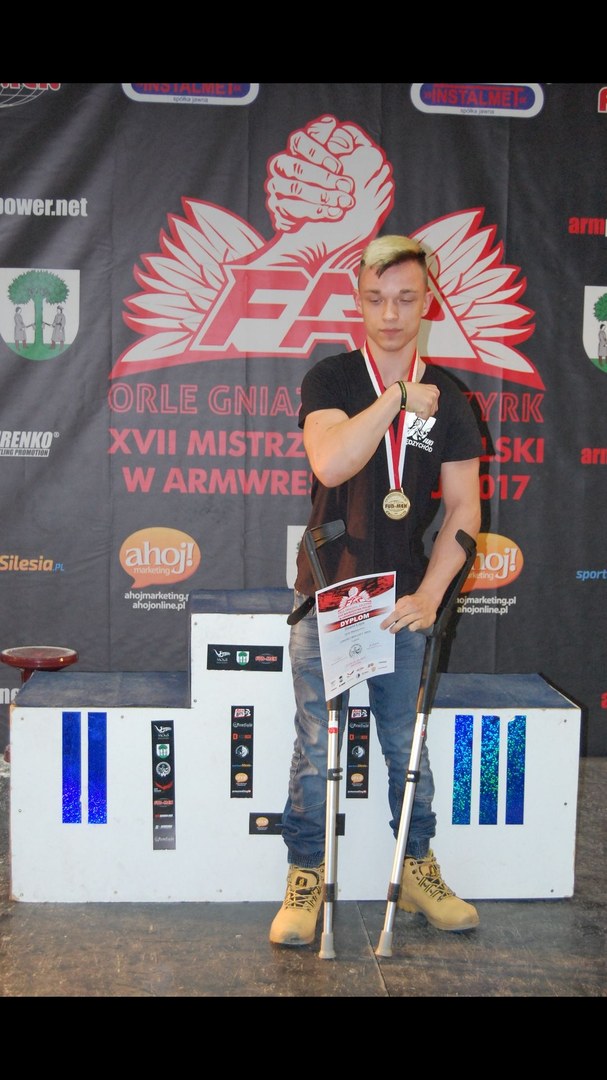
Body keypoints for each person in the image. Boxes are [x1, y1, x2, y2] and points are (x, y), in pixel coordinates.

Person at [270, 234, 483, 947]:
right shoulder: (331, 379)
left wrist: (430, 595)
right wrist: (395, 399)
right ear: (357, 301)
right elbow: (331, 462)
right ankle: (305, 874)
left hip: (400, 603)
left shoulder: (450, 400)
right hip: (329, 592)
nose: (390, 314)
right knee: (314, 745)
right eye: (375, 299)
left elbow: (464, 509)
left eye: (405, 299)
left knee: (405, 744)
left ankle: (415, 867)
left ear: (428, 302)